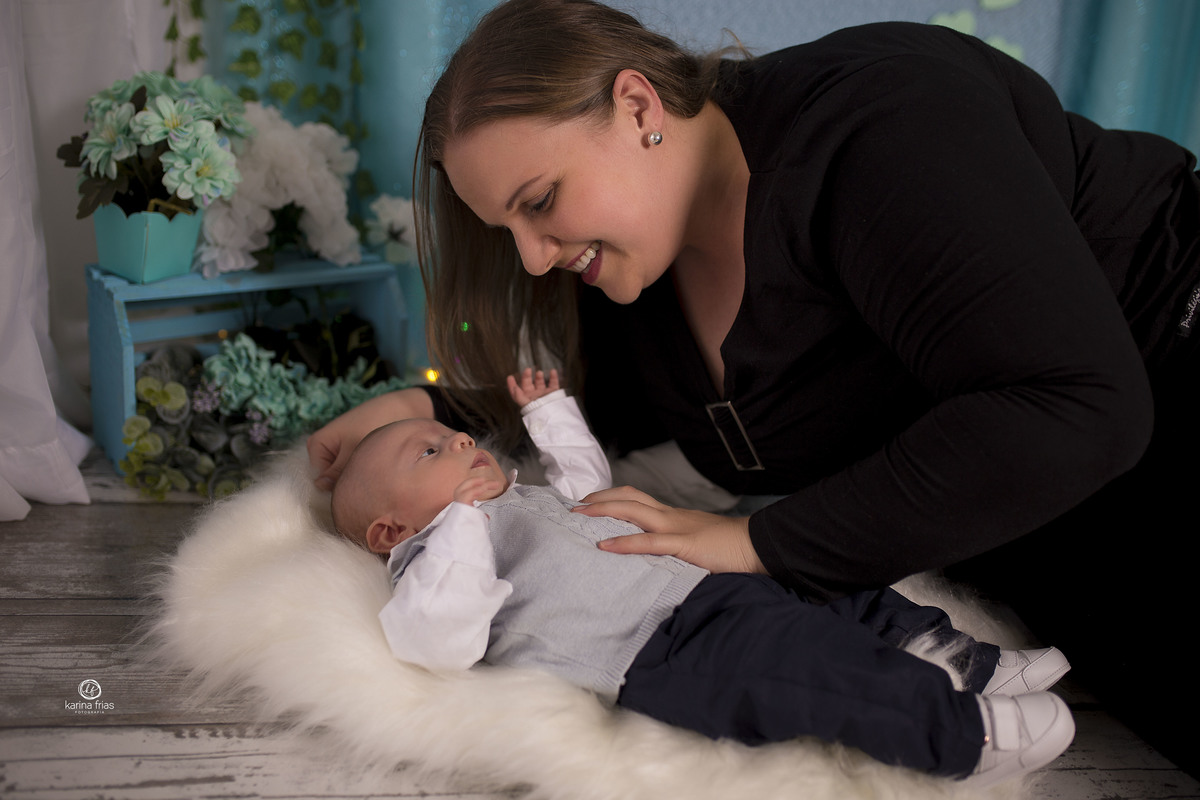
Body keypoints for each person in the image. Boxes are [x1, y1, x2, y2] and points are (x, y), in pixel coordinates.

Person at [309, 0, 1200, 775]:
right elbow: (596, 405)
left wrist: (759, 543)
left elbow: (1081, 403)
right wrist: (422, 410)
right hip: (1041, 517)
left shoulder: (882, 121)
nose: (533, 256)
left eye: (539, 202)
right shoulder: (635, 278)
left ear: (636, 105)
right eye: (505, 228)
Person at [329, 367, 1075, 787]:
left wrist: (549, 412)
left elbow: (590, 490)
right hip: (663, 648)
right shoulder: (430, 562)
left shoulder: (513, 497)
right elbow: (440, 640)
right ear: (390, 529)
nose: (459, 439)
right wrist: (458, 522)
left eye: (452, 433)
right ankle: (960, 734)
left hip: (698, 580)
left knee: (837, 591)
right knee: (812, 669)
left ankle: (967, 663)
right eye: (430, 453)